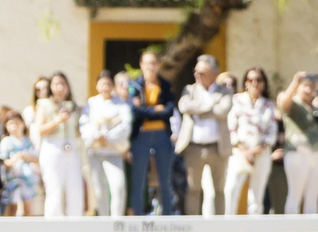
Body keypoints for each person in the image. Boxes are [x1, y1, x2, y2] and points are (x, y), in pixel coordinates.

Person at [175, 54, 234, 216]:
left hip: (218, 147)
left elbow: (224, 110)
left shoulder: (224, 91)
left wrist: (198, 110)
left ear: (213, 73)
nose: (197, 75)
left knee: (219, 190)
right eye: (196, 72)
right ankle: (193, 225)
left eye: (201, 73)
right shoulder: (189, 89)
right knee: (193, 189)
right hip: (194, 147)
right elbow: (184, 106)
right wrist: (210, 106)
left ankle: (219, 225)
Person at [127, 51, 177, 215]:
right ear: (141, 65)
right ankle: (138, 217)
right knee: (139, 178)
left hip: (162, 134)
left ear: (159, 65)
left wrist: (145, 109)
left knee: (165, 178)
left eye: (153, 63)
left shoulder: (165, 85)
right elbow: (134, 111)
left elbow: (169, 110)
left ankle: (167, 215)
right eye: (147, 63)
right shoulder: (134, 85)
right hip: (141, 135)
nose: (150, 67)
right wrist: (156, 109)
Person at [224, 67, 277, 216]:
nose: (254, 83)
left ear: (264, 83)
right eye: (251, 79)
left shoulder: (268, 104)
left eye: (258, 80)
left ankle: (254, 227)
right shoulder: (237, 100)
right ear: (246, 82)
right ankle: (228, 224)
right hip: (240, 152)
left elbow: (272, 131)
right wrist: (245, 151)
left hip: (261, 153)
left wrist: (256, 151)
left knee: (256, 194)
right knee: (231, 189)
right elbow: (231, 128)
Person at [80, 70, 131, 216]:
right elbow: (84, 125)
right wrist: (97, 136)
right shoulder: (91, 103)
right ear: (97, 86)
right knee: (98, 190)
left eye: (108, 84)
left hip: (113, 152)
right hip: (95, 152)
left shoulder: (120, 104)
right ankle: (103, 219)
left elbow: (126, 125)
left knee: (118, 186)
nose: (105, 88)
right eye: (102, 84)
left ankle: (116, 221)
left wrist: (108, 137)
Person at [277, 71, 318, 214]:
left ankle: (311, 231)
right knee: (295, 195)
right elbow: (283, 103)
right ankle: (292, 230)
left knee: (312, 197)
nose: (308, 89)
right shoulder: (295, 104)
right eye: (305, 85)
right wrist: (295, 82)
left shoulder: (316, 108)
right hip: (298, 153)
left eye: (311, 86)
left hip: (317, 154)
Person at [34, 72, 85, 217]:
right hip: (52, 147)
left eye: (63, 83)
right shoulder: (44, 104)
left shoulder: (74, 106)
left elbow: (77, 131)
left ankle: (75, 225)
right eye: (56, 84)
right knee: (54, 189)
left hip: (71, 147)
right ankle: (53, 225)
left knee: (75, 188)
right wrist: (57, 121)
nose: (60, 87)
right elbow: (40, 129)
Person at [0, 111, 40, 217]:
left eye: (17, 123)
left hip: (27, 179)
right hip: (12, 180)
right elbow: (4, 161)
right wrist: (15, 159)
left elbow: (36, 158)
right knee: (12, 207)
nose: (15, 126)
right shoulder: (6, 142)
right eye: (11, 123)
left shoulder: (27, 141)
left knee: (28, 207)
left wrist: (25, 156)